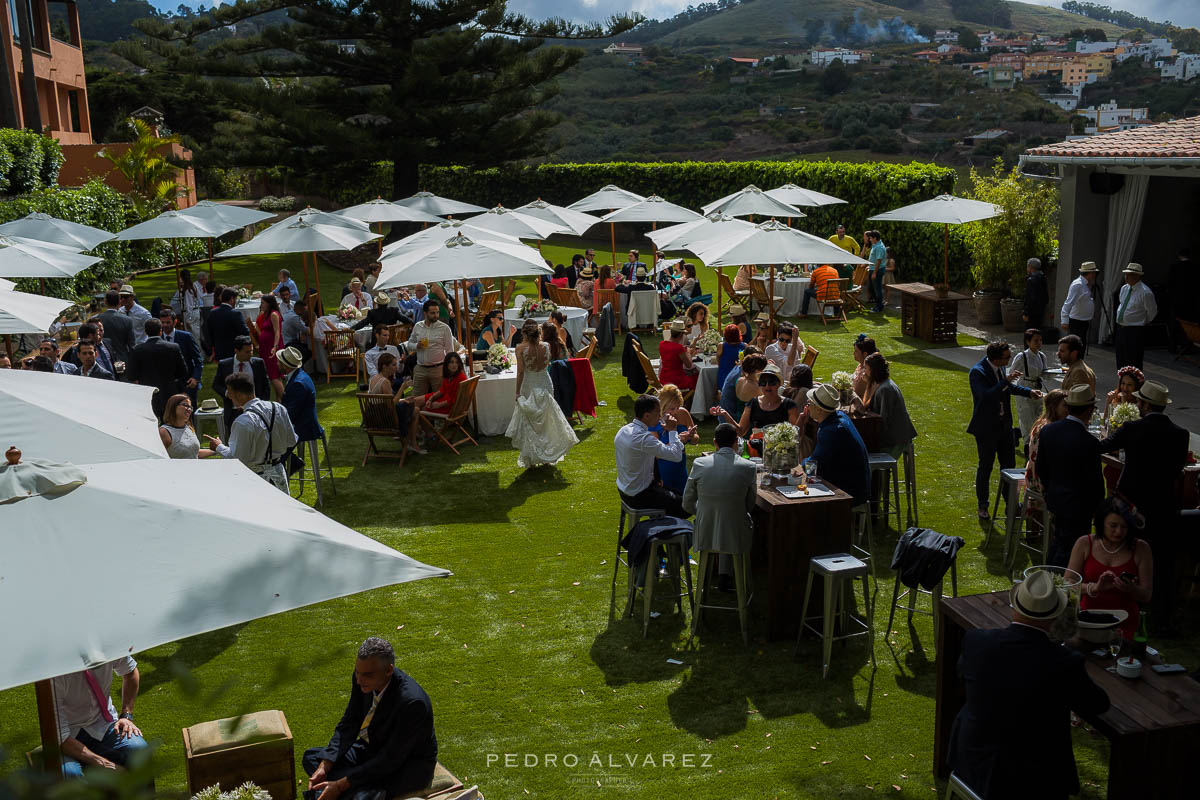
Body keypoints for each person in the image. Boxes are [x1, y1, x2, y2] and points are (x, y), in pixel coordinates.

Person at [947, 570, 1110, 800]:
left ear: (1016, 607)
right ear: (1054, 617)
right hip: (1032, 781)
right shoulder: (1064, 663)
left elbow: (963, 675)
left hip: (971, 760)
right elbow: (1098, 704)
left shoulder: (977, 642)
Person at [1098, 380, 1188, 632]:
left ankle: (1122, 604)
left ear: (1145, 405)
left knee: (1125, 553)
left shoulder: (1132, 428)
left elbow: (1104, 446)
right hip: (1163, 506)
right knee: (1161, 560)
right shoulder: (1180, 434)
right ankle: (1160, 616)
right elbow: (1177, 469)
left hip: (1132, 506)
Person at [304, 638, 436, 800]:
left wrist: (340, 785)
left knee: (357, 794)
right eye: (357, 673)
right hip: (371, 749)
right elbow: (351, 721)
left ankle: (361, 791)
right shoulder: (362, 679)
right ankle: (360, 790)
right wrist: (326, 765)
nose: (359, 680)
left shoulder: (412, 703)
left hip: (405, 766)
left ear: (389, 670)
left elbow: (391, 759)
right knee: (312, 757)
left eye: (366, 675)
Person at [967, 340, 1042, 520]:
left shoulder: (1000, 369)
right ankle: (983, 506)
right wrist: (1005, 382)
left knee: (1009, 467)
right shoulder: (977, 372)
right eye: (1007, 357)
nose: (1009, 360)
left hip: (1004, 427)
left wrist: (1028, 392)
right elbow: (985, 396)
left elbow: (1009, 388)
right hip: (986, 429)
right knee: (985, 467)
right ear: (996, 358)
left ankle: (1012, 505)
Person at [1033, 384, 1104, 566]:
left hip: (1056, 500)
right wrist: (1098, 510)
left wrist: (1050, 492)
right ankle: (1058, 584)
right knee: (1069, 551)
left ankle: (1050, 581)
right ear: (1089, 410)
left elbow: (1041, 468)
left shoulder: (1049, 431)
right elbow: (1095, 483)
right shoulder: (1089, 442)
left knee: (1059, 544)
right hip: (1079, 507)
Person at [683, 422, 757, 592]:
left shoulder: (700, 464)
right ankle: (727, 574)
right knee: (730, 519)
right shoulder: (749, 467)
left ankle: (723, 574)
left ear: (715, 442)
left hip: (705, 529)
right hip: (736, 532)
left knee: (722, 518)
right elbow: (749, 504)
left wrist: (704, 511)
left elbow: (687, 502)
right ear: (736, 441)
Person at [1068, 497, 1153, 641]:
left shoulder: (1141, 548)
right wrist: (1094, 588)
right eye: (1113, 525)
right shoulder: (1084, 543)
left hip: (1124, 624)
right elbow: (1067, 584)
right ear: (1101, 523)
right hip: (1088, 621)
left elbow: (1147, 595)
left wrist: (1131, 589)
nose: (1119, 532)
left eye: (1124, 527)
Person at [52, 656, 149, 779]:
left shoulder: (106, 645)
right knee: (70, 774)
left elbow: (130, 671)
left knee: (140, 751)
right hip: (69, 735)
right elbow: (60, 737)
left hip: (105, 724)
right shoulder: (54, 675)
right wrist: (102, 763)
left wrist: (126, 715)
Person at [505, 319, 579, 469]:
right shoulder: (546, 346)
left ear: (524, 333)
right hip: (545, 382)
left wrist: (517, 392)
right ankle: (547, 455)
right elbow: (546, 364)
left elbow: (520, 372)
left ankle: (532, 459)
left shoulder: (520, 348)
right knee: (546, 420)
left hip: (529, 384)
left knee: (530, 421)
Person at [207, 372, 298, 491]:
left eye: (230, 392)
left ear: (240, 395)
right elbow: (291, 441)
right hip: (279, 473)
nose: (228, 395)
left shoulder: (243, 422)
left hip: (254, 479)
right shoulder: (279, 408)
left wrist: (219, 447)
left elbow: (238, 459)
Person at [615, 393, 694, 517]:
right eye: (658, 412)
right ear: (646, 415)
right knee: (687, 506)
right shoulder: (644, 438)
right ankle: (668, 532)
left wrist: (656, 478)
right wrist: (672, 430)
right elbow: (676, 455)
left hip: (625, 491)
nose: (660, 416)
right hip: (640, 495)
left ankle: (665, 527)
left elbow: (649, 455)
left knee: (680, 495)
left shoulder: (623, 430)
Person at [804, 383, 870, 505]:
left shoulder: (832, 431)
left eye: (810, 403)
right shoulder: (839, 416)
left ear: (819, 409)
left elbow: (814, 464)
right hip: (854, 485)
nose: (807, 406)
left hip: (850, 492)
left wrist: (798, 466)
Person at [711, 363, 800, 442]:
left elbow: (795, 435)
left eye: (772, 382)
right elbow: (740, 432)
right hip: (756, 451)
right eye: (763, 382)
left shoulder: (789, 405)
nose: (767, 386)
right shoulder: (753, 403)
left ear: (779, 384)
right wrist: (725, 414)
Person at [127, 319, 189, 420]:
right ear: (161, 331)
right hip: (169, 393)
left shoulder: (137, 350)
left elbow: (131, 375)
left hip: (148, 394)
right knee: (171, 423)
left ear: (145, 332)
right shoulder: (173, 347)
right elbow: (183, 372)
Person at [861, 352, 916, 459]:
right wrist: (869, 383)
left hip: (896, 439)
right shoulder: (880, 384)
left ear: (872, 370)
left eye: (865, 368)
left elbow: (884, 421)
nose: (864, 371)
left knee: (865, 453)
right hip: (892, 436)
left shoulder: (886, 389)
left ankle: (881, 475)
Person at [213, 335, 271, 432]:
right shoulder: (225, 365)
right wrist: (228, 393)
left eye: (251, 350)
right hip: (233, 412)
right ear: (236, 351)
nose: (251, 354)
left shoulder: (258, 364)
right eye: (247, 352)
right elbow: (216, 385)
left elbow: (266, 386)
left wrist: (262, 404)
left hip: (256, 411)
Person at [650, 384, 699, 494]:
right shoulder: (654, 420)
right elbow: (655, 454)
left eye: (678, 407)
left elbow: (696, 440)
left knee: (684, 502)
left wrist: (691, 436)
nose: (675, 411)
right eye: (672, 408)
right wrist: (678, 440)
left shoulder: (683, 413)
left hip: (680, 466)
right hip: (663, 469)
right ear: (662, 405)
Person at [1023, 389, 1067, 505]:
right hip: (1040, 482)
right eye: (1065, 406)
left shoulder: (1041, 423)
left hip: (1033, 476)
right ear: (1054, 407)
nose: (1069, 409)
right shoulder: (1049, 429)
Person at [407, 300, 459, 396]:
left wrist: (450, 371)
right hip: (420, 369)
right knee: (417, 398)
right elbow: (409, 344)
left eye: (437, 312)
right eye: (432, 313)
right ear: (425, 313)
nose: (436, 315)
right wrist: (416, 346)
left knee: (439, 398)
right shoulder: (418, 326)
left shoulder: (444, 328)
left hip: (438, 369)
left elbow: (449, 351)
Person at [1113, 262, 1157, 371]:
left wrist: (1141, 322)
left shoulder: (1145, 292)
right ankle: (1122, 384)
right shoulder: (1124, 288)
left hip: (1134, 330)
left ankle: (1134, 385)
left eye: (1130, 275)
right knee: (1121, 359)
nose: (1126, 277)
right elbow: (1122, 303)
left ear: (1137, 276)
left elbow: (1152, 312)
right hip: (1121, 328)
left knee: (1133, 361)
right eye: (1126, 274)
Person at [278, 346, 323, 449]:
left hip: (304, 427)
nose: (277, 364)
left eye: (279, 362)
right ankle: (295, 463)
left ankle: (294, 464)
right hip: (302, 423)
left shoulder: (298, 383)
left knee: (272, 444)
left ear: (285, 366)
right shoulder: (299, 375)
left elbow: (291, 413)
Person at [1012, 328, 1049, 444]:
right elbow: (1012, 374)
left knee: (1037, 419)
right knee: (1027, 419)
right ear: (1028, 342)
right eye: (1036, 341)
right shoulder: (1022, 356)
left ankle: (1017, 433)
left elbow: (1045, 374)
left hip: (1037, 390)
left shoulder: (1042, 356)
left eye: (1040, 340)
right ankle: (1028, 447)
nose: (1039, 343)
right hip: (1025, 389)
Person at [159, 307, 203, 404]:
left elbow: (198, 359)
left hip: (186, 382)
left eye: (168, 322)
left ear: (175, 322)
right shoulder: (158, 339)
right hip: (167, 384)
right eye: (162, 322)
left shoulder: (186, 337)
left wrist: (195, 378)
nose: (165, 325)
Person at [1059, 260, 1097, 356]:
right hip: (1077, 323)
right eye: (1094, 273)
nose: (1095, 275)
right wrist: (1064, 320)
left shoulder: (1086, 284)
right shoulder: (1078, 285)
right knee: (1075, 350)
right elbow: (1068, 303)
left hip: (1082, 323)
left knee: (1080, 349)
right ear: (1090, 273)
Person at [159, 393, 213, 459]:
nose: (189, 409)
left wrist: (218, 449)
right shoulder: (164, 432)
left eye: (190, 407)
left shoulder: (189, 428)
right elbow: (158, 458)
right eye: (185, 405)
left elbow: (194, 453)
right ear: (173, 406)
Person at [97, 290, 136, 374]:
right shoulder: (127, 320)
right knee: (121, 383)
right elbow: (132, 346)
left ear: (105, 302)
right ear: (119, 302)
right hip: (121, 360)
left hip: (103, 360)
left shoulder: (97, 320)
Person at [718, 348, 762, 421]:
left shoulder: (739, 368)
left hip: (726, 415)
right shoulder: (741, 376)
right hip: (732, 419)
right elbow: (758, 396)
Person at [208, 287, 250, 361]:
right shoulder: (235, 313)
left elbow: (209, 333)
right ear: (231, 299)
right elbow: (245, 332)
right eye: (235, 299)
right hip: (233, 352)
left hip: (219, 351)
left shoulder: (212, 313)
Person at [658, 319, 698, 391]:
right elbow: (689, 365)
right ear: (680, 334)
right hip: (676, 381)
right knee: (697, 377)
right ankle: (692, 401)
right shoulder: (679, 348)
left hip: (663, 378)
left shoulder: (662, 344)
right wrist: (688, 353)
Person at [715, 324, 745, 390]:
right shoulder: (745, 346)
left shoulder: (721, 346)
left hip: (725, 377)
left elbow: (718, 361)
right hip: (740, 378)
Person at [177, 267, 203, 337]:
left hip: (191, 315)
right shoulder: (194, 286)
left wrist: (188, 319)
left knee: (193, 336)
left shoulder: (187, 290)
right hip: (197, 312)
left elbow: (189, 305)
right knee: (197, 334)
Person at [1023, 257, 1049, 327]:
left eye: (1027, 267)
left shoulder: (1031, 280)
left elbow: (1031, 299)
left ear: (1030, 267)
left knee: (1030, 333)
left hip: (1032, 313)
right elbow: (1046, 297)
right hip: (1041, 311)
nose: (1027, 269)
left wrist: (1026, 313)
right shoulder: (1043, 277)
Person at [866, 230, 887, 313]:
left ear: (875, 238)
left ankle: (879, 307)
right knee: (872, 289)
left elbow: (878, 261)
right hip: (873, 269)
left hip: (877, 271)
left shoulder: (880, 247)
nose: (870, 240)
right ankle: (877, 306)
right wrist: (869, 266)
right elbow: (873, 258)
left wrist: (874, 272)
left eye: (871, 238)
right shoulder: (875, 245)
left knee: (877, 290)